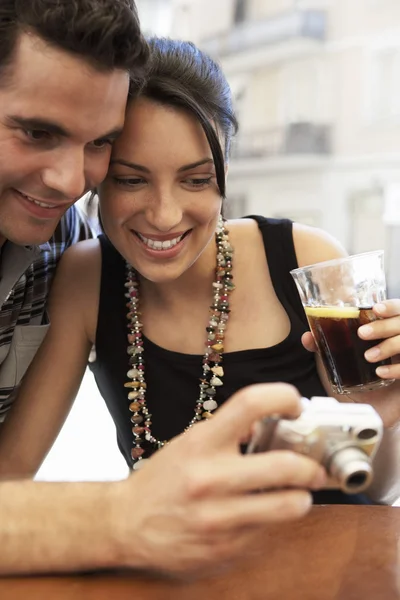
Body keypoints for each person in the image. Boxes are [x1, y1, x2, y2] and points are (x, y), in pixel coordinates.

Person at [1, 34, 400, 512]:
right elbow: (11, 477)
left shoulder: (307, 256)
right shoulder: (85, 275)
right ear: (99, 171)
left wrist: (380, 419)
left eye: (196, 180)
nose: (166, 215)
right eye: (131, 180)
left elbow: (377, 489)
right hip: (179, 574)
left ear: (225, 172)